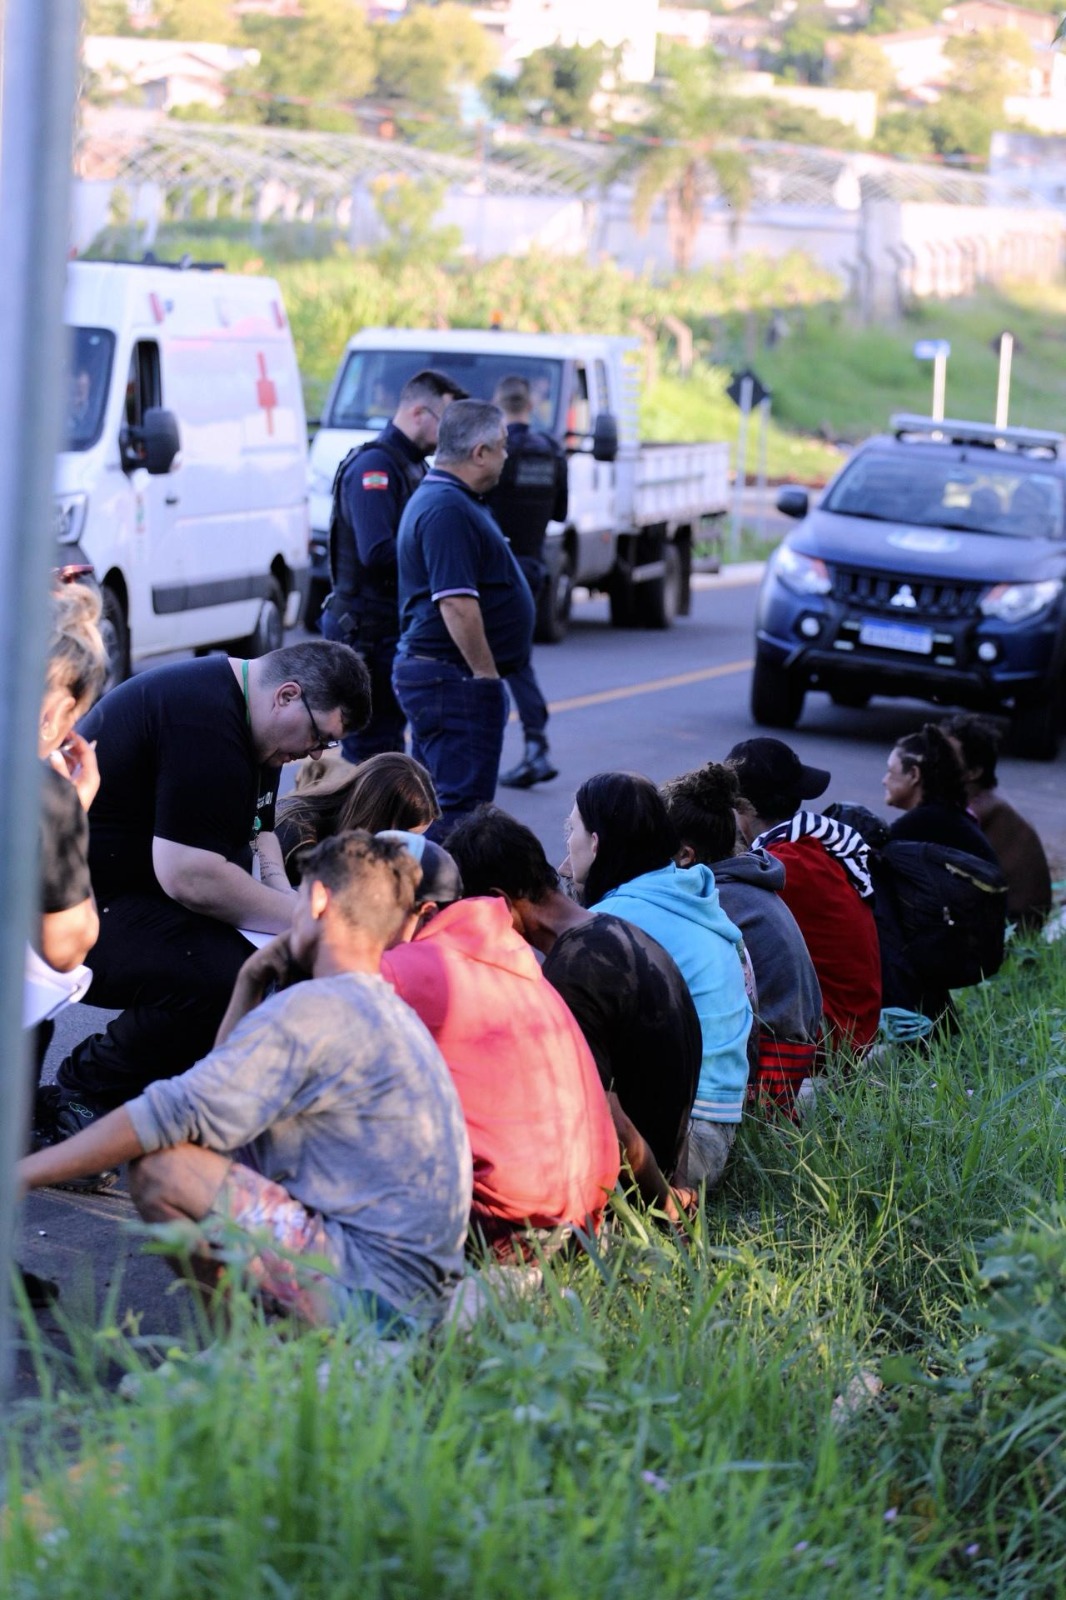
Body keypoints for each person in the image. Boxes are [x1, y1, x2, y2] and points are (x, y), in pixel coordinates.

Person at [18, 833, 473, 1331]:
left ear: (318, 900)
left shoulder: (315, 1010)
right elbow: (218, 1086)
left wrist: (21, 1174)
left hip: (376, 1301)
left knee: (166, 1171)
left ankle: (244, 1359)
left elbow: (171, 1116)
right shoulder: (378, 1004)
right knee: (196, 1152)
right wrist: (248, 982)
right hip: (416, 1289)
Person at [34, 640, 371, 1154]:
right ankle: (85, 1091)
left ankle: (156, 1090)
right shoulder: (204, 719)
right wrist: (308, 922)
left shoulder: (258, 722)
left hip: (122, 893)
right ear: (287, 694)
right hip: (67, 910)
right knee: (224, 976)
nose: (314, 754)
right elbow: (189, 876)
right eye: (319, 738)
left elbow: (260, 835)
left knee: (263, 960)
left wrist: (290, 909)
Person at [446, 805, 701, 1215]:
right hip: (668, 1167)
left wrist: (667, 1208)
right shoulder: (618, 930)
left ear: (497, 902)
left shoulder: (573, 973)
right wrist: (676, 1182)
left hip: (631, 1201)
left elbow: (609, 1120)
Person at [379, 830, 620, 1258]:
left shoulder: (403, 968)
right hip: (583, 1219)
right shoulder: (512, 954)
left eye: (365, 906)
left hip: (507, 1231)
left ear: (422, 910)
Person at [561, 773, 751, 1192]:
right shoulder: (682, 892)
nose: (564, 857)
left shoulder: (620, 919)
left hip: (681, 1150)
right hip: (718, 1128)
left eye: (570, 831)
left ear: (595, 843)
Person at [392, 400, 535, 838]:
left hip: (448, 679)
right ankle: (445, 901)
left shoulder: (453, 499)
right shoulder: (446, 509)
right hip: (453, 679)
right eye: (502, 447)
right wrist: (486, 677)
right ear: (480, 452)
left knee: (442, 804)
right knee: (459, 814)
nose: (506, 457)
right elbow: (455, 602)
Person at [321, 368, 467, 763]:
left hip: (388, 628)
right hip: (367, 632)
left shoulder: (414, 465)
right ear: (420, 412)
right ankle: (361, 827)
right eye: (445, 423)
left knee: (389, 749)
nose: (449, 436)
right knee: (374, 754)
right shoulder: (376, 467)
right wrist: (439, 560)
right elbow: (377, 553)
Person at [661, 762, 822, 1117]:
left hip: (764, 1080)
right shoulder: (741, 883)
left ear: (685, 856)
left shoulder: (714, 901)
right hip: (787, 1061)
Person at [725, 737, 881, 1061]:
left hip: (831, 1043)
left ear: (742, 808)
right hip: (854, 1028)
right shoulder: (815, 844)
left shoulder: (781, 869)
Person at [485, 375, 567, 790]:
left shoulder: (498, 451)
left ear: (499, 407)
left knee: (482, 660)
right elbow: (561, 511)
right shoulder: (551, 451)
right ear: (530, 407)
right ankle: (535, 744)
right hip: (532, 565)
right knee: (516, 658)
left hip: (494, 566)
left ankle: (520, 748)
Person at [943, 713, 1051, 929]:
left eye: (946, 755)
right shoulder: (985, 798)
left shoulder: (979, 809)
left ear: (973, 772)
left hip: (1013, 926)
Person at [274, 751, 439, 884]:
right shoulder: (300, 838)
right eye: (406, 838)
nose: (405, 851)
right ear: (380, 822)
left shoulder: (335, 823)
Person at [883, 723, 1000, 864]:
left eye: (890, 772)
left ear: (914, 775)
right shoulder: (947, 813)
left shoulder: (923, 820)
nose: (884, 780)